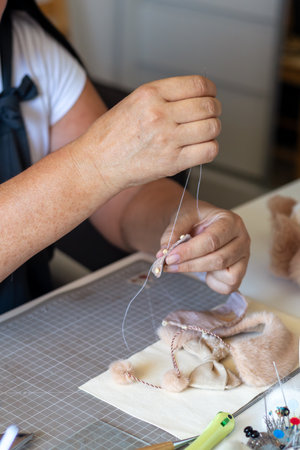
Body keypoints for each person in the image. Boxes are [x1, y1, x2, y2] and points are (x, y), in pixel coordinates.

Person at [0, 0, 250, 313]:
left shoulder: (31, 47)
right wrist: (95, 164)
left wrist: (185, 223)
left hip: (25, 324)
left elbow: (124, 200)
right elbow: (102, 169)